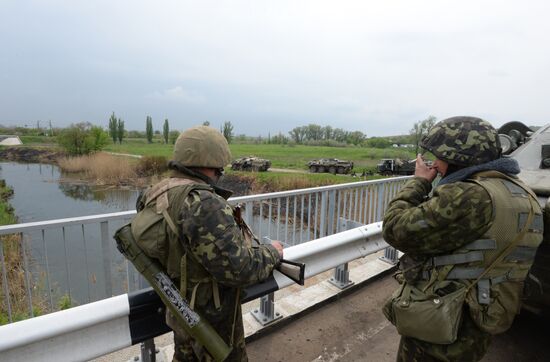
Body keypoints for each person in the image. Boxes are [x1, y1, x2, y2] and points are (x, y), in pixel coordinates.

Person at [382, 116, 543, 362]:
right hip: (484, 312)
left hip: (445, 316)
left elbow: (395, 229)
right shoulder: (522, 192)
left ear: (458, 158)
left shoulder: (469, 196)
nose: (435, 162)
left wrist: (419, 183)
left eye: (439, 157)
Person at [136, 125, 283, 361]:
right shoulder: (204, 203)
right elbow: (240, 269)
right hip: (212, 328)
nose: (221, 172)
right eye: (219, 168)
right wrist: (272, 252)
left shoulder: (155, 194)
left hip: (181, 315)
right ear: (212, 162)